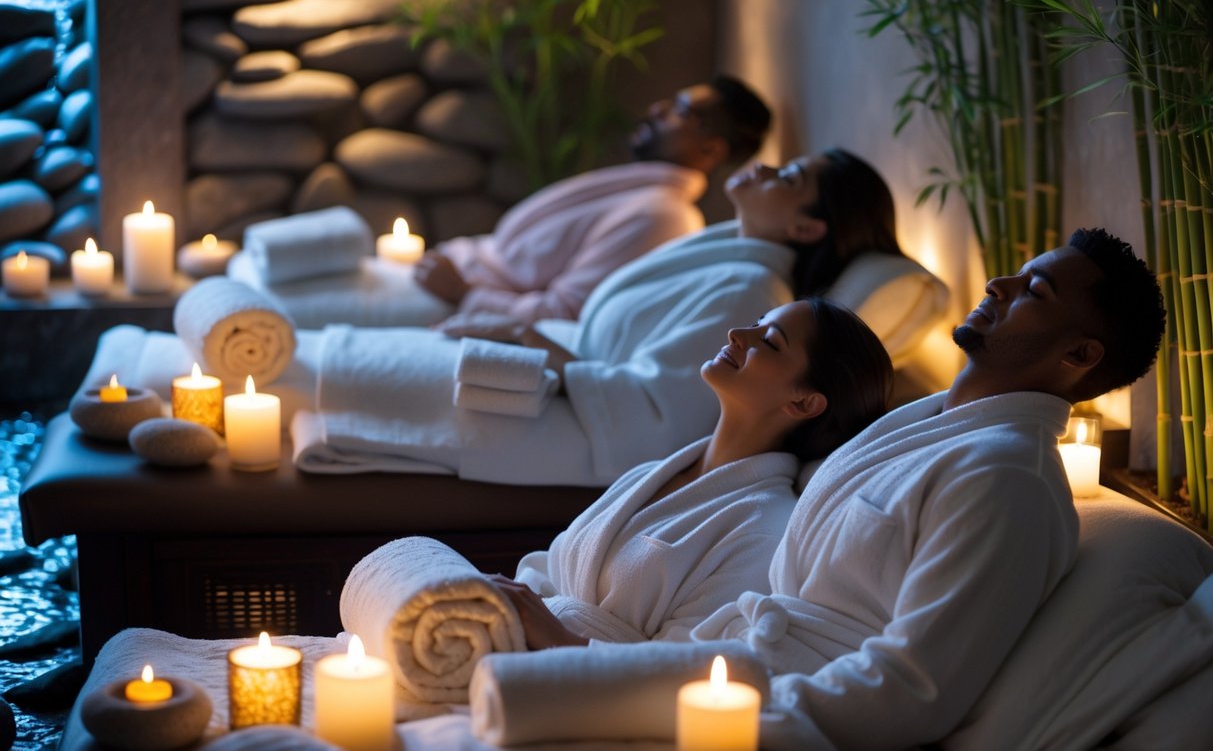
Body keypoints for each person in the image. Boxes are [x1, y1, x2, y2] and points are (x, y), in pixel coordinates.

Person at [687, 228, 1167, 750]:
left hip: (782, 712)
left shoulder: (1009, 480)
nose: (998, 284)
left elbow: (914, 690)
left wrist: (742, 721)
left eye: (1035, 290)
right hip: (742, 663)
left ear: (1078, 353)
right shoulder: (928, 422)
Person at [295, 148, 906, 489]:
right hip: (558, 361)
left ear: (806, 227)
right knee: (337, 363)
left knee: (335, 373)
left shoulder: (749, 286)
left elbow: (661, 411)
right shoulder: (726, 255)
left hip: (562, 398)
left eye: (790, 177)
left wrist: (527, 337)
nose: (769, 167)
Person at [487, 298, 894, 648]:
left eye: (768, 342)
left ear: (804, 403)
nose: (738, 334)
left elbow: (683, 662)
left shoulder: (766, 529)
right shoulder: (652, 473)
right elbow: (546, 568)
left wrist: (556, 639)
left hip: (572, 691)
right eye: (756, 324)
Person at [407, 75, 773, 325]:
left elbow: (566, 314)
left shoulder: (664, 215)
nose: (657, 109)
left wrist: (461, 292)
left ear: (711, 149)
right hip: (444, 277)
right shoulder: (641, 193)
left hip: (453, 302)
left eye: (680, 110)